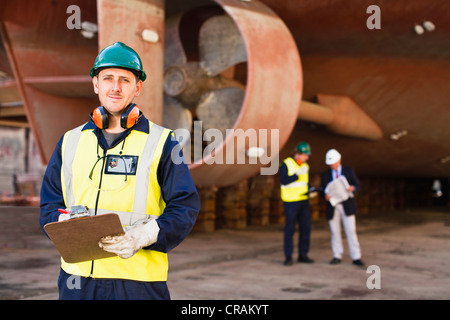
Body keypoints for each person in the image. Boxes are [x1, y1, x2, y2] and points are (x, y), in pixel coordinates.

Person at [39, 42, 200, 299]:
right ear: (95, 84)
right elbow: (49, 205)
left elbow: (185, 207)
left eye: (125, 80)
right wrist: (63, 224)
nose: (115, 87)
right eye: (108, 78)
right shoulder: (70, 141)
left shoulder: (162, 142)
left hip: (136, 283)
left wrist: (143, 236)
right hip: (77, 281)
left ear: (137, 88)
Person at [320, 149, 364, 266]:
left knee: (351, 231)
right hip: (333, 206)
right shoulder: (325, 175)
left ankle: (356, 256)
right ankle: (337, 255)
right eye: (330, 164)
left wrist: (352, 188)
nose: (332, 165)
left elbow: (358, 185)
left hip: (347, 205)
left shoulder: (348, 171)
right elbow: (322, 190)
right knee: (335, 232)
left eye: (334, 163)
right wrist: (325, 196)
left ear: (339, 160)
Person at [279, 142, 314, 266]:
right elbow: (284, 181)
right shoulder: (286, 164)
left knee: (305, 229)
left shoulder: (305, 166)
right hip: (291, 202)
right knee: (290, 230)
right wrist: (296, 175)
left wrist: (311, 189)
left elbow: (304, 182)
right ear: (298, 154)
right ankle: (288, 257)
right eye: (305, 155)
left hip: (303, 201)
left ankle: (303, 255)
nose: (307, 158)